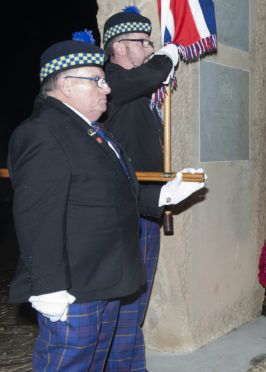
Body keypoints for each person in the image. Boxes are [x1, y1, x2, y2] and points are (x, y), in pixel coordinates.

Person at [7, 36, 203, 370]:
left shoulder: (90, 130)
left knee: (95, 363)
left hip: (104, 278)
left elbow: (111, 191)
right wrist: (48, 286)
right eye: (97, 80)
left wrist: (165, 195)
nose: (107, 89)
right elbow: (37, 215)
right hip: (74, 287)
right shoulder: (43, 132)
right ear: (66, 85)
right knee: (69, 363)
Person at [101, 7, 179, 370]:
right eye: (143, 42)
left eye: (152, 43)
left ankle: (131, 365)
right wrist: (165, 60)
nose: (150, 48)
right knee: (122, 299)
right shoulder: (108, 81)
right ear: (118, 46)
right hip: (123, 206)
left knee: (136, 301)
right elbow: (144, 77)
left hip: (147, 203)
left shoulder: (133, 87)